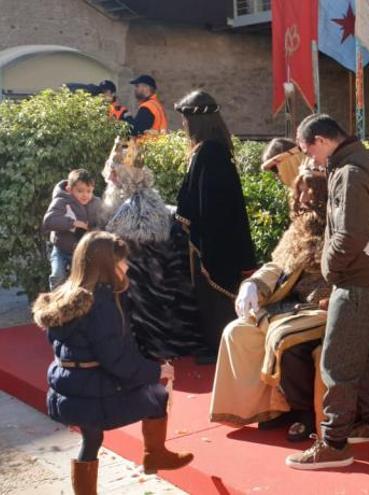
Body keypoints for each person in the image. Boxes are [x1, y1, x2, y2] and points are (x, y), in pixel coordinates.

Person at [210, 140, 369, 444]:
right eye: (301, 190)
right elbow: (279, 264)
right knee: (236, 332)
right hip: (293, 306)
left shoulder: (352, 218)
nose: (304, 198)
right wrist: (253, 284)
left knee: (287, 342)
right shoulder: (300, 226)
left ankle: (307, 413)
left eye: (311, 191)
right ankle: (269, 408)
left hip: (333, 306)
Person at [285, 113, 369, 470]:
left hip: (356, 280)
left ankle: (334, 443)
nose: (310, 160)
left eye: (309, 151)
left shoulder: (350, 171)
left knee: (336, 360)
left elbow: (347, 235)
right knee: (358, 351)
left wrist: (329, 268)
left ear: (322, 141)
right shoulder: (367, 161)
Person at [32, 231, 193, 495]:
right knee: (157, 395)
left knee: (92, 439)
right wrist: (156, 370)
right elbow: (115, 358)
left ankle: (94, 487)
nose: (127, 266)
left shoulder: (68, 294)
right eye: (121, 261)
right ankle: (155, 455)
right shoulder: (101, 302)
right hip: (93, 389)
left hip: (69, 387)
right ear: (106, 265)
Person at [174, 90, 257, 364]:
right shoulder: (215, 149)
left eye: (186, 119)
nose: (184, 125)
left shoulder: (208, 152)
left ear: (195, 122)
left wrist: (185, 218)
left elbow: (206, 203)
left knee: (215, 296)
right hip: (219, 236)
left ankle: (218, 347)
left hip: (215, 240)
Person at [101, 138, 201, 359]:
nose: (110, 180)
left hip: (148, 302)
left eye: (113, 174)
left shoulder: (133, 210)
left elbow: (136, 268)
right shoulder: (149, 201)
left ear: (123, 177)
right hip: (164, 295)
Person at [41, 169, 103, 289]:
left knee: (89, 279)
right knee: (58, 276)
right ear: (70, 189)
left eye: (89, 191)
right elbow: (49, 221)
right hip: (62, 249)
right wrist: (73, 223)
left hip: (84, 251)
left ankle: (86, 302)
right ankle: (56, 302)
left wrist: (94, 229)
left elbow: (102, 223)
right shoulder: (62, 201)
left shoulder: (96, 203)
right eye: (80, 191)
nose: (85, 195)